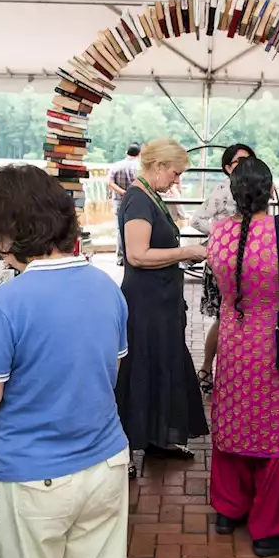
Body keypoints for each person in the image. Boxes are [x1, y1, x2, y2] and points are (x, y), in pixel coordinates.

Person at [0, 164, 130, 558]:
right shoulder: (106, 287)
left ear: (6, 233)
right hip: (104, 465)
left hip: (32, 478)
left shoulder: (9, 301)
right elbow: (109, 372)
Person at [207, 158, 279, 557]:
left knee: (233, 422)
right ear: (270, 190)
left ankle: (229, 510)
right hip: (278, 345)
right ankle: (269, 530)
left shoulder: (218, 234)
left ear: (235, 193)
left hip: (234, 344)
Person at [117, 139, 209, 476]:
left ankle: (157, 436)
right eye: (175, 173)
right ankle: (125, 446)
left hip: (161, 302)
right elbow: (138, 254)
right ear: (158, 167)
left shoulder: (150, 196)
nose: (176, 180)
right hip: (146, 303)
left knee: (161, 366)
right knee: (140, 370)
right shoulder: (139, 200)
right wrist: (187, 252)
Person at [190, 142, 256, 388]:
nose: (244, 166)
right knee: (224, 318)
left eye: (249, 160)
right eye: (239, 161)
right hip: (223, 264)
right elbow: (196, 220)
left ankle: (236, 372)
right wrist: (224, 235)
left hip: (250, 262)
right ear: (228, 168)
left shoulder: (255, 191)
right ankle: (207, 368)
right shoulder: (222, 190)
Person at [107, 143, 141, 265]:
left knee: (120, 229)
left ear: (126, 152)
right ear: (139, 154)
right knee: (137, 228)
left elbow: (110, 183)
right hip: (136, 200)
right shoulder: (140, 167)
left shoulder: (116, 166)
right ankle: (133, 257)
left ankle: (121, 258)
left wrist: (123, 192)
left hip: (119, 201)